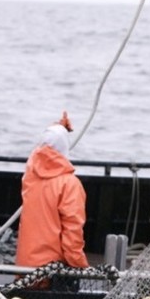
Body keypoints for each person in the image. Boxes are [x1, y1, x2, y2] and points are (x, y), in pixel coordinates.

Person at [15, 111, 90, 271]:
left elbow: (46, 144)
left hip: (25, 268)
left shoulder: (30, 177)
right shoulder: (70, 185)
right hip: (54, 272)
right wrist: (81, 267)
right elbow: (72, 233)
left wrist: (59, 128)